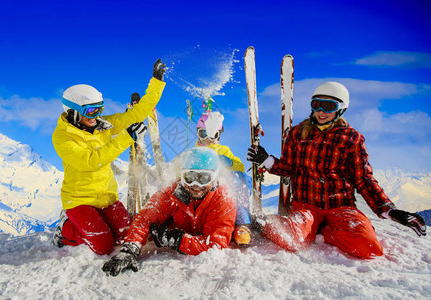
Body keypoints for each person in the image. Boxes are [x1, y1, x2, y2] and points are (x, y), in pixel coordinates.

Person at [246, 81, 426, 259]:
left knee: (369, 248)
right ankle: (272, 224)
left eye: (328, 106)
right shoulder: (297, 134)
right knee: (292, 239)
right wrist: (266, 160)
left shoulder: (351, 139)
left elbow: (363, 179)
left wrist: (390, 211)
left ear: (340, 109)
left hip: (340, 207)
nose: (321, 111)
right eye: (316, 105)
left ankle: (326, 230)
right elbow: (288, 169)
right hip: (306, 205)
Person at [51, 59, 167, 255]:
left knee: (126, 238)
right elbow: (90, 161)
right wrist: (126, 137)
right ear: (72, 112)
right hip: (80, 200)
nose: (96, 115)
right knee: (103, 246)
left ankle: (97, 224)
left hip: (106, 197)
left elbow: (136, 114)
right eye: (90, 110)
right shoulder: (63, 137)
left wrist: (156, 83)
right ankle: (65, 229)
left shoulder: (100, 125)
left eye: (99, 109)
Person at [102, 147, 236, 276]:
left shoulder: (223, 200)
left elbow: (215, 245)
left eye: (204, 178)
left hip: (192, 236)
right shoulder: (172, 192)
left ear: (214, 178)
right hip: (176, 225)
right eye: (190, 177)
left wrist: (177, 240)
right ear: (182, 176)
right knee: (151, 222)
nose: (196, 185)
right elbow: (145, 218)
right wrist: (130, 249)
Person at [195, 111, 252, 245]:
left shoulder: (224, 150)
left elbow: (241, 167)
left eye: (212, 134)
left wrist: (230, 163)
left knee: (237, 177)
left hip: (220, 189)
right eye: (203, 134)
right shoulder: (195, 153)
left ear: (218, 135)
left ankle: (242, 224)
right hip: (202, 190)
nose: (207, 139)